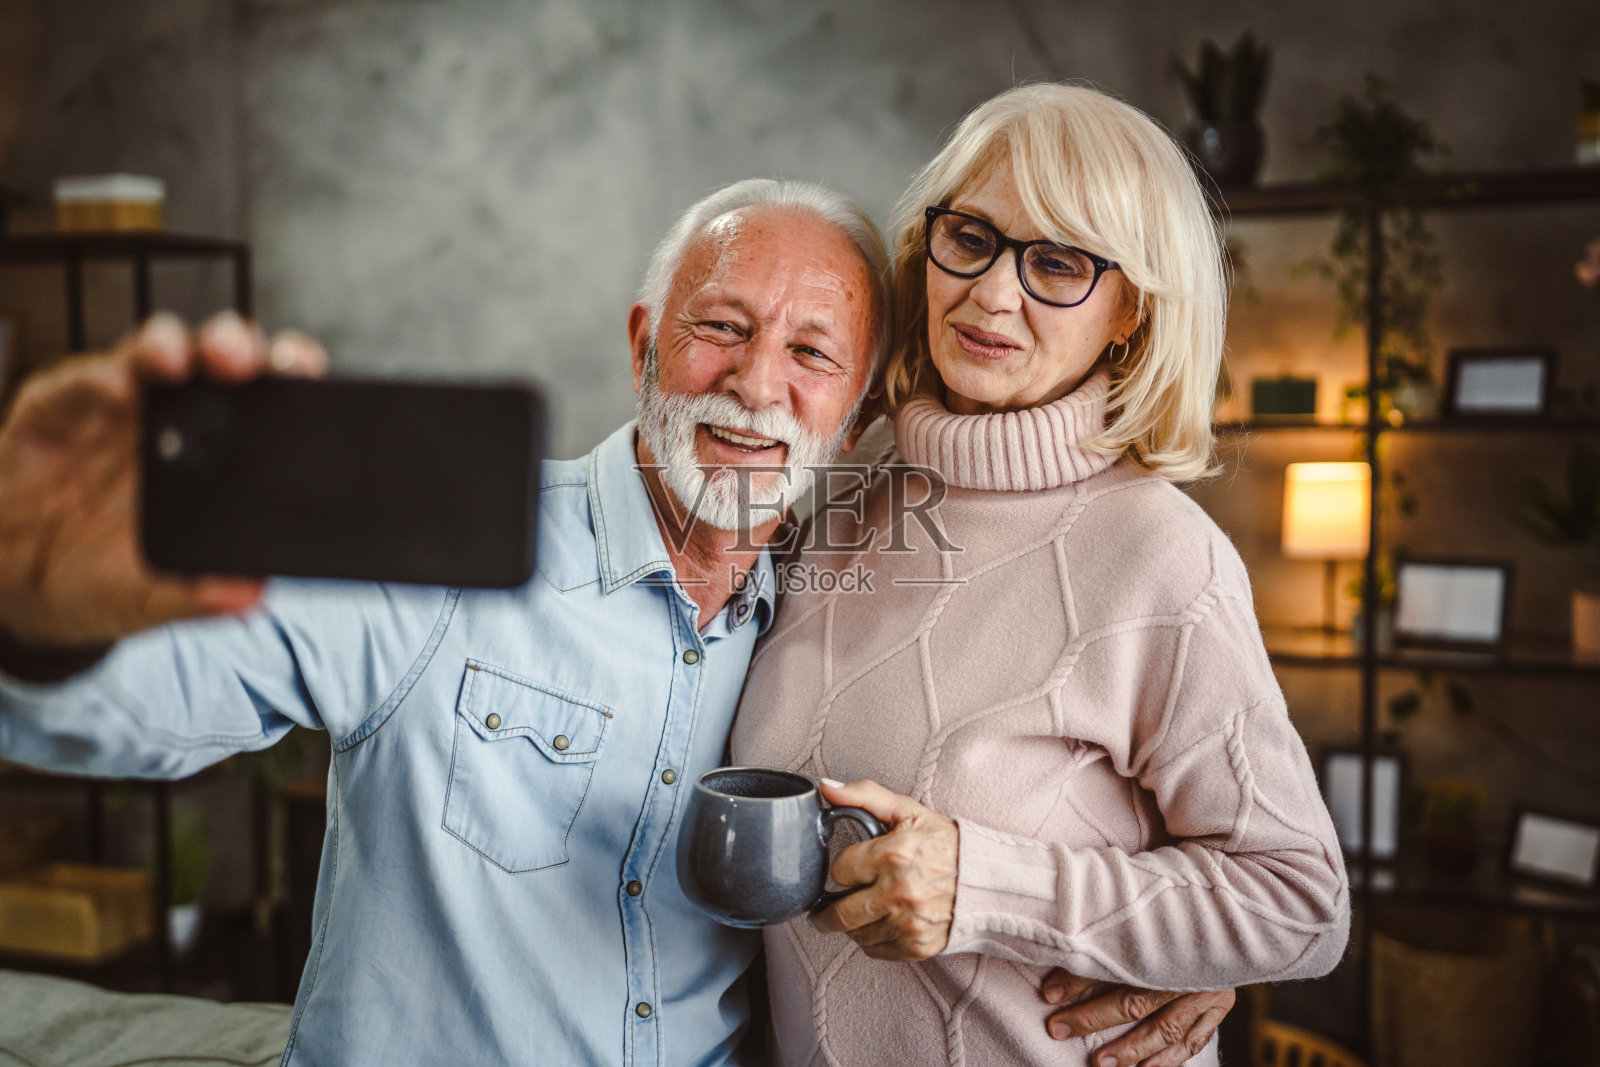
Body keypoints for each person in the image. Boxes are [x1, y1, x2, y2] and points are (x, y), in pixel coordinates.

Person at [0, 175, 1223, 1065]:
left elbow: (1026, 805)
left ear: (854, 419)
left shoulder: (837, 622)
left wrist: (1184, 949)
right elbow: (138, 713)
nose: (755, 383)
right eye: (720, 327)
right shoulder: (449, 551)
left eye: (811, 352)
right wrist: (37, 610)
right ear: (645, 343)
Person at [732, 83, 1351, 1067]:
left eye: (1057, 262)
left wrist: (987, 888)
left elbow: (1298, 902)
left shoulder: (1162, 555)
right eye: (971, 237)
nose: (991, 293)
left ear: (1130, 311)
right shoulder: (840, 493)